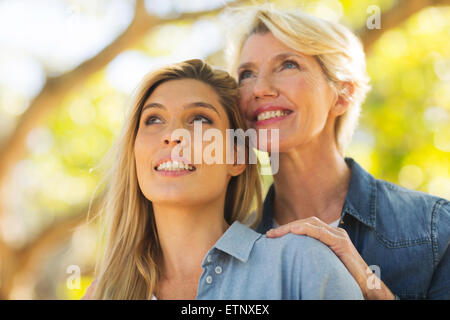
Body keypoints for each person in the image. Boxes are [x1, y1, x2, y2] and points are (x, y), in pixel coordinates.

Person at [82, 59, 363, 300]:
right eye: (154, 119)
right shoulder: (105, 293)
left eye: (200, 119)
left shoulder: (301, 264)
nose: (173, 135)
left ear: (237, 157)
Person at [225, 4, 450, 300]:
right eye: (246, 74)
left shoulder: (434, 228)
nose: (259, 88)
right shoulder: (232, 249)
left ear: (343, 94)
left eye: (288, 65)